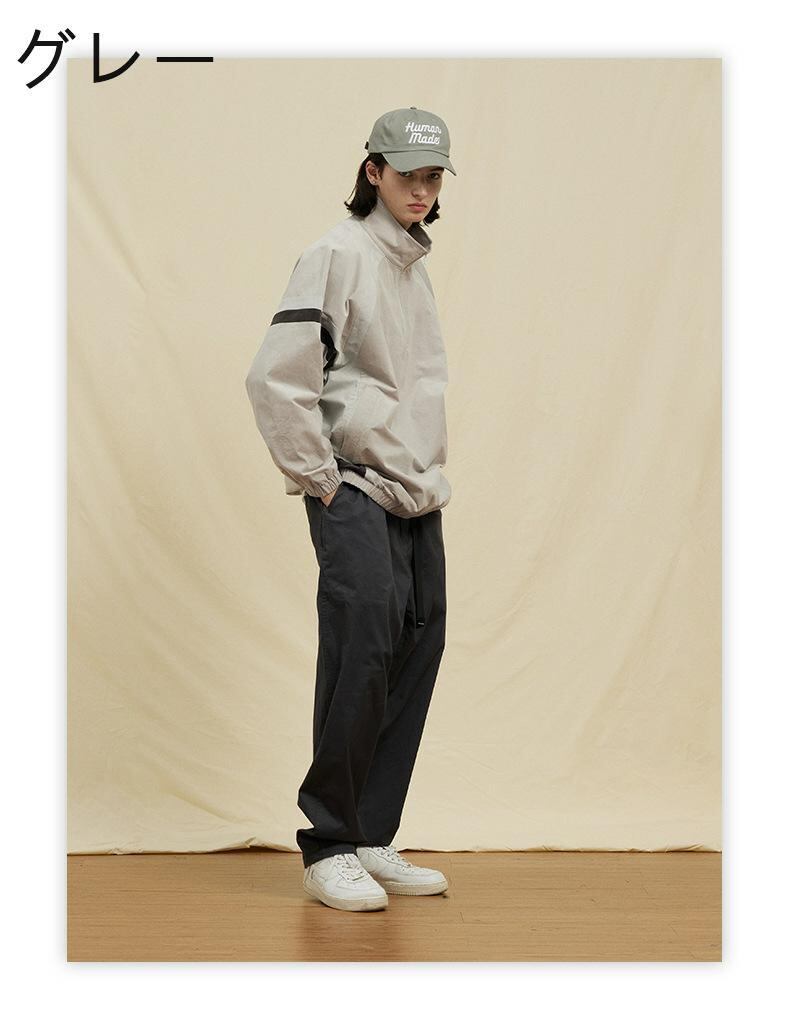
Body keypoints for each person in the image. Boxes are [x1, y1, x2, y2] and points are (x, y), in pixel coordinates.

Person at [245, 106, 456, 911]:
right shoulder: (337, 254)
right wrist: (321, 480)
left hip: (416, 490)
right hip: (356, 487)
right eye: (407, 175)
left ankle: (369, 834)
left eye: (432, 177)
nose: (421, 190)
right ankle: (329, 844)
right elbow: (277, 376)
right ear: (373, 172)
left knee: (415, 649)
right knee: (362, 651)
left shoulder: (412, 266)